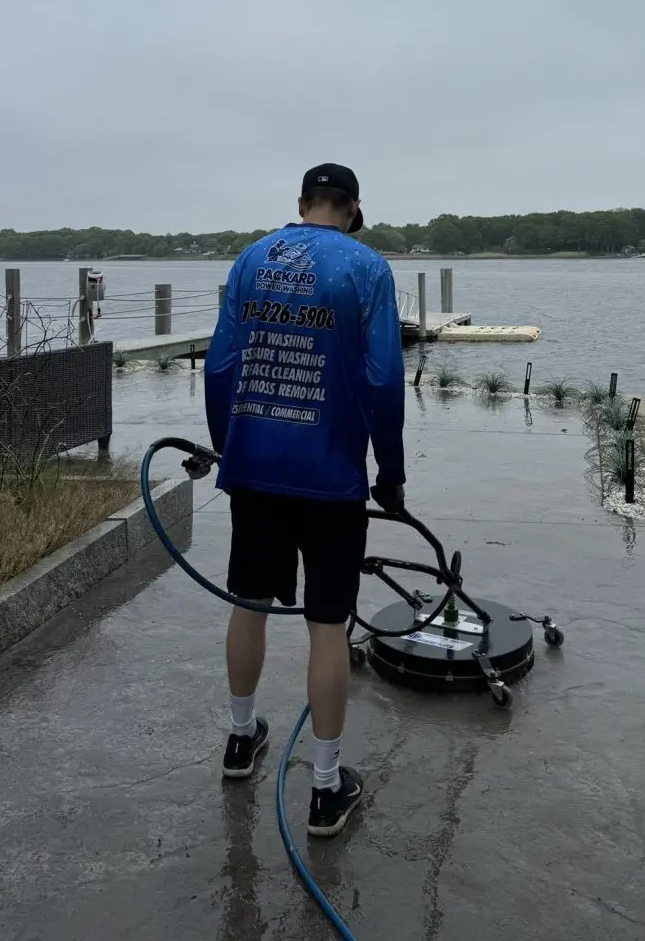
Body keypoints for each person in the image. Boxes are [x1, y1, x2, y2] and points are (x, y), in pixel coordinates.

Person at [203, 163, 406, 838]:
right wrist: (390, 470)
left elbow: (219, 366)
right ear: (353, 208)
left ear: (301, 204)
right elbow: (383, 378)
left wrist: (227, 446)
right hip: (330, 476)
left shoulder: (251, 259)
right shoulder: (366, 268)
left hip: (255, 467)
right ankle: (324, 787)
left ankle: (240, 740)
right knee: (327, 626)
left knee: (249, 602)